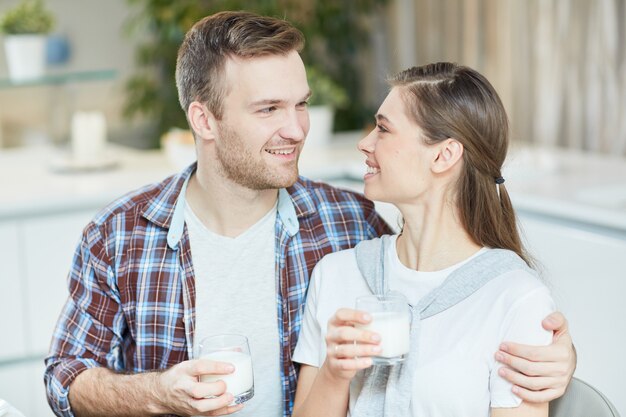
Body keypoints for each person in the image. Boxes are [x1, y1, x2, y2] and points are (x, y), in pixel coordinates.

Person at [44, 12, 575, 417]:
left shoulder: (348, 223)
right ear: (203, 119)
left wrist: (558, 355)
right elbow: (63, 378)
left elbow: (447, 284)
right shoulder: (120, 234)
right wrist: (157, 393)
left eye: (301, 104)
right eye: (269, 109)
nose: (298, 129)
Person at [292, 63, 566, 417]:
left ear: (443, 155)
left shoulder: (517, 300)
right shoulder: (337, 275)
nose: (364, 143)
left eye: (383, 129)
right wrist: (334, 373)